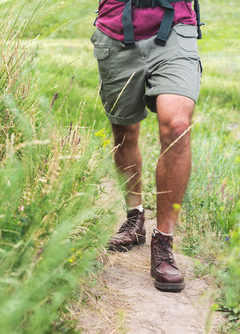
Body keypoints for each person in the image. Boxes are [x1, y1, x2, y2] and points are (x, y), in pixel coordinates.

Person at [91, 0, 202, 292]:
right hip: (116, 30)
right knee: (124, 130)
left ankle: (163, 241)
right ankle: (134, 216)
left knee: (177, 126)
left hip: (175, 25)